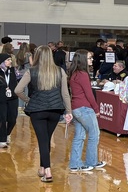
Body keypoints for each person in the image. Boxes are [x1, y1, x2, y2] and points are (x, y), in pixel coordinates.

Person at [15, 45, 72, 183]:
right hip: (55, 110)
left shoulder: (32, 71)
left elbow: (18, 90)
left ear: (37, 56)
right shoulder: (60, 71)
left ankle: (47, 171)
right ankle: (42, 167)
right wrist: (69, 111)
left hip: (37, 111)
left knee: (42, 140)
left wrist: (28, 100)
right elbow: (65, 93)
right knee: (46, 138)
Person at [67, 50, 106, 173]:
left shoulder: (74, 73)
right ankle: (91, 161)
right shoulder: (83, 74)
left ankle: (75, 163)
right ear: (83, 59)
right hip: (84, 108)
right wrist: (96, 109)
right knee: (94, 134)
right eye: (89, 58)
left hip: (76, 108)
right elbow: (89, 94)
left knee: (79, 136)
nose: (91, 60)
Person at [0, 52, 19, 149]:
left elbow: (19, 79)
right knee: (2, 119)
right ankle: (2, 139)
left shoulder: (13, 70)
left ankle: (7, 134)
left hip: (13, 98)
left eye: (10, 60)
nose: (10, 61)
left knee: (13, 119)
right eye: (8, 60)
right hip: (1, 99)